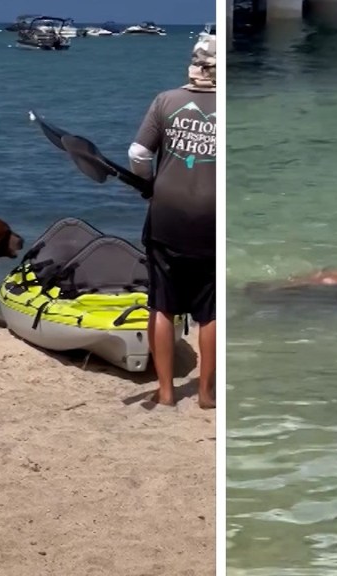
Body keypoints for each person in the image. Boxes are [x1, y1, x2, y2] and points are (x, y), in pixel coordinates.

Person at [128, 34, 217, 409]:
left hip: (166, 216)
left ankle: (166, 392)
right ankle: (205, 394)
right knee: (210, 312)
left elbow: (138, 152)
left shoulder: (167, 101)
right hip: (213, 221)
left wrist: (147, 183)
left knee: (162, 305)